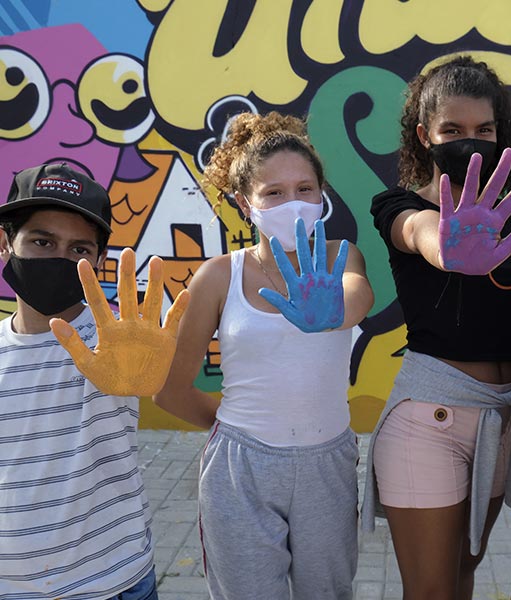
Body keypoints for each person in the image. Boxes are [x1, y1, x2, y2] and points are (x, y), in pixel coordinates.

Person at [154, 111, 373, 600]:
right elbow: (171, 388)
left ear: (323, 196)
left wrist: (331, 309)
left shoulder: (343, 257)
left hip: (328, 462)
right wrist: (238, 427)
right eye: (273, 193)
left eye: (305, 189)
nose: (292, 203)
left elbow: (360, 298)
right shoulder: (218, 276)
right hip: (240, 470)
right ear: (244, 204)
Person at [362, 55, 511, 599]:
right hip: (429, 419)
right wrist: (447, 247)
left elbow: (502, 327)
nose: (471, 141)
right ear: (424, 135)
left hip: (501, 415)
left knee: (463, 578)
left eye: (483, 130)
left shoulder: (506, 220)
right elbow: (421, 234)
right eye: (453, 130)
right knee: (433, 592)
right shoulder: (398, 205)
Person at [0, 163, 188, 599]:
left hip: (117, 581)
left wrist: (149, 378)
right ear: (7, 244)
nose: (60, 258)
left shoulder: (119, 340)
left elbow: (145, 379)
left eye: (80, 250)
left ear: (100, 260)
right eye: (42, 242)